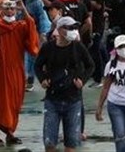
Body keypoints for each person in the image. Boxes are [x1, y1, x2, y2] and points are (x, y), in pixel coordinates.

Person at [0, 0, 40, 146]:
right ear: (2, 11)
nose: (9, 12)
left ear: (16, 11)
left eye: (12, 9)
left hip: (16, 68)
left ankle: (9, 132)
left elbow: (31, 30)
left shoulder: (20, 26)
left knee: (14, 102)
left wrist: (24, 9)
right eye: (6, 9)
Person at [34, 16, 95, 152]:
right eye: (70, 28)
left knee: (71, 143)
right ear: (60, 30)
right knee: (49, 142)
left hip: (73, 99)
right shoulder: (48, 47)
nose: (74, 30)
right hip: (52, 99)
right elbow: (37, 65)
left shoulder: (78, 47)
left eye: (75, 28)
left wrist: (82, 80)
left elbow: (90, 65)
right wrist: (42, 79)